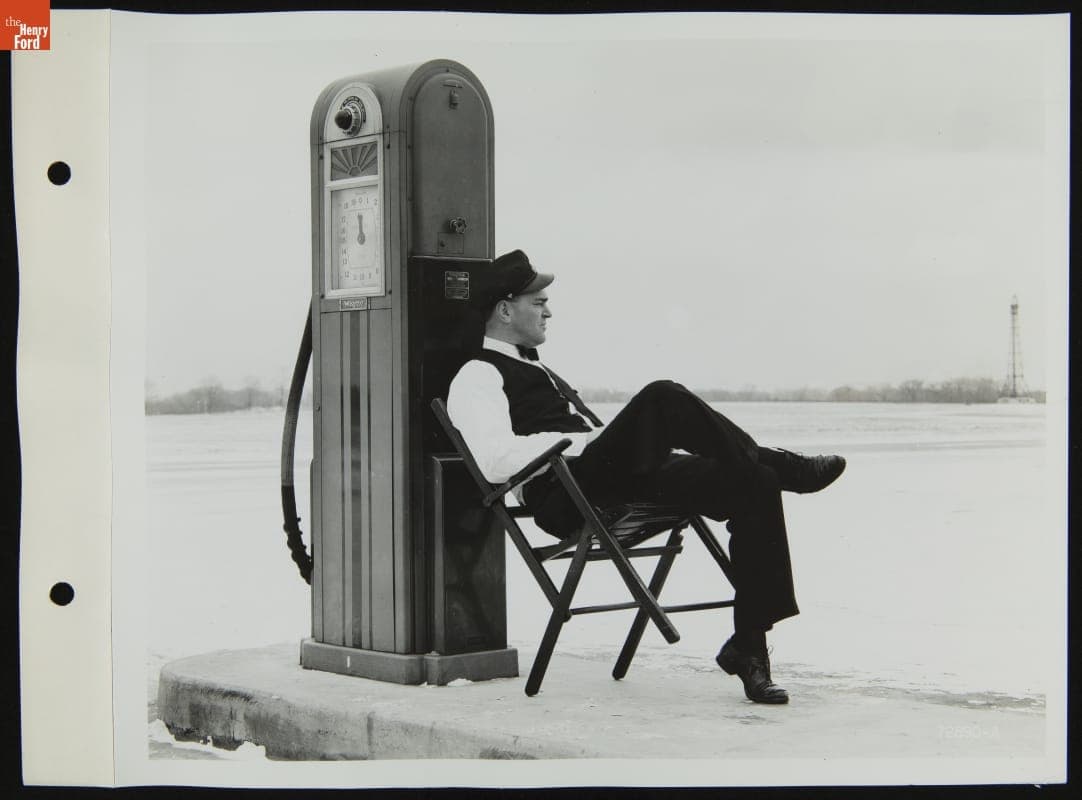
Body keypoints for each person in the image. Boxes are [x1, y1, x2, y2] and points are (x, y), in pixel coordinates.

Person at [446, 249, 845, 704]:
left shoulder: (540, 370)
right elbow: (494, 459)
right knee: (662, 396)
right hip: (564, 493)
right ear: (504, 309)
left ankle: (748, 647)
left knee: (754, 482)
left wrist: (595, 442)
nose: (548, 311)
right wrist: (572, 443)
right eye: (538, 302)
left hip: (604, 480)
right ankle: (782, 462)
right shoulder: (476, 375)